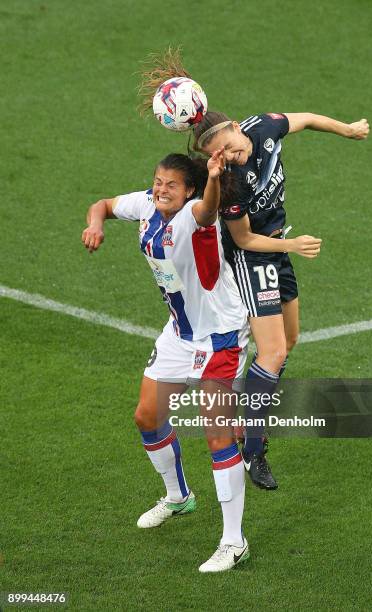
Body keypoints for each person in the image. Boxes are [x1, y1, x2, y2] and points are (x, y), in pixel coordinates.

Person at [82, 151, 320, 572]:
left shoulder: (195, 214)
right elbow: (101, 205)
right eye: (157, 181)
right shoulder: (144, 205)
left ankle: (234, 542)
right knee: (146, 416)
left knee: (217, 437)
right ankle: (178, 497)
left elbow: (210, 207)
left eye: (170, 184)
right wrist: (95, 224)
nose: (160, 189)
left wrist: (213, 178)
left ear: (188, 189)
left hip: (220, 339)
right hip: (179, 335)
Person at [137, 49, 332, 491]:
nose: (229, 153)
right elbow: (242, 241)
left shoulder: (259, 129)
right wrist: (293, 245)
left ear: (236, 128)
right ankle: (253, 446)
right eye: (219, 153)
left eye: (227, 145)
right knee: (274, 352)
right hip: (252, 257)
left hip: (277, 248)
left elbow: (301, 119)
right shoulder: (232, 183)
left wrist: (347, 129)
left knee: (290, 340)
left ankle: (249, 410)